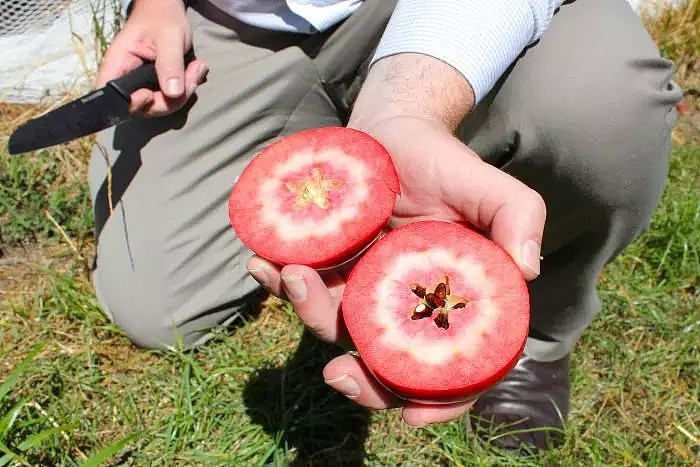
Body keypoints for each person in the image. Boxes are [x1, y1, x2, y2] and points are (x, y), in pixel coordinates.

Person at [89, 0, 682, 452]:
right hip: (239, 21)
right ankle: (338, 132)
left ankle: (537, 333)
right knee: (155, 303)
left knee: (605, 109)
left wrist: (405, 109)